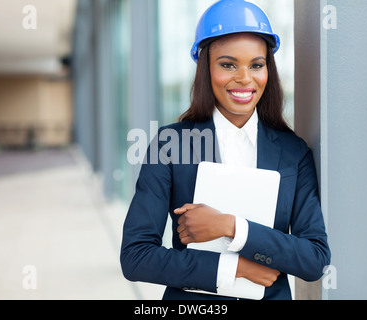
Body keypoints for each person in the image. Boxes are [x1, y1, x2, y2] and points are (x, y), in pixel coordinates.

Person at [120, 0, 331, 300]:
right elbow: (136, 256)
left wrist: (231, 226)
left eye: (256, 65)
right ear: (205, 67)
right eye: (228, 64)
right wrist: (233, 269)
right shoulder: (170, 145)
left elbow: (314, 259)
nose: (245, 78)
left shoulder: (293, 153)